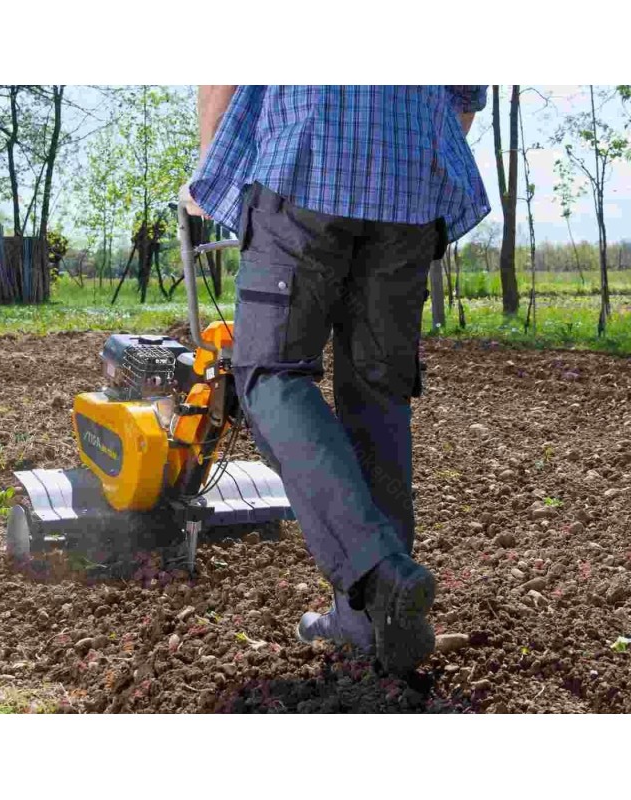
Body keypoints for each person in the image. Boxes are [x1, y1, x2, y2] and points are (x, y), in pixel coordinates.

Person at [181, 86, 489, 676]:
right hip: (410, 190)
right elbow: (466, 99)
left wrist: (207, 169)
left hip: (306, 163)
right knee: (379, 397)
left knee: (271, 373)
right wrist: (401, 154)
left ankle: (378, 570)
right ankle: (368, 623)